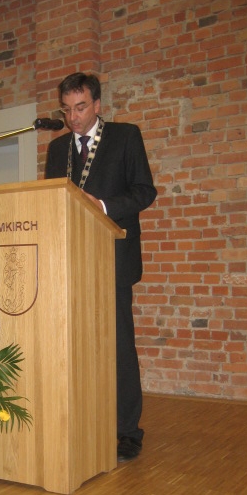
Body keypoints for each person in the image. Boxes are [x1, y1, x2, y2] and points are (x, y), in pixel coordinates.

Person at [45, 72, 157, 462]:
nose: (73, 118)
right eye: (66, 109)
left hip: (113, 257)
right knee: (74, 343)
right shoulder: (57, 149)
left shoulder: (125, 137)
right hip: (70, 260)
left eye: (80, 108)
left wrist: (104, 207)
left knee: (118, 345)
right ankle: (83, 419)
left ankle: (127, 431)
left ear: (97, 105)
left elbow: (145, 191)